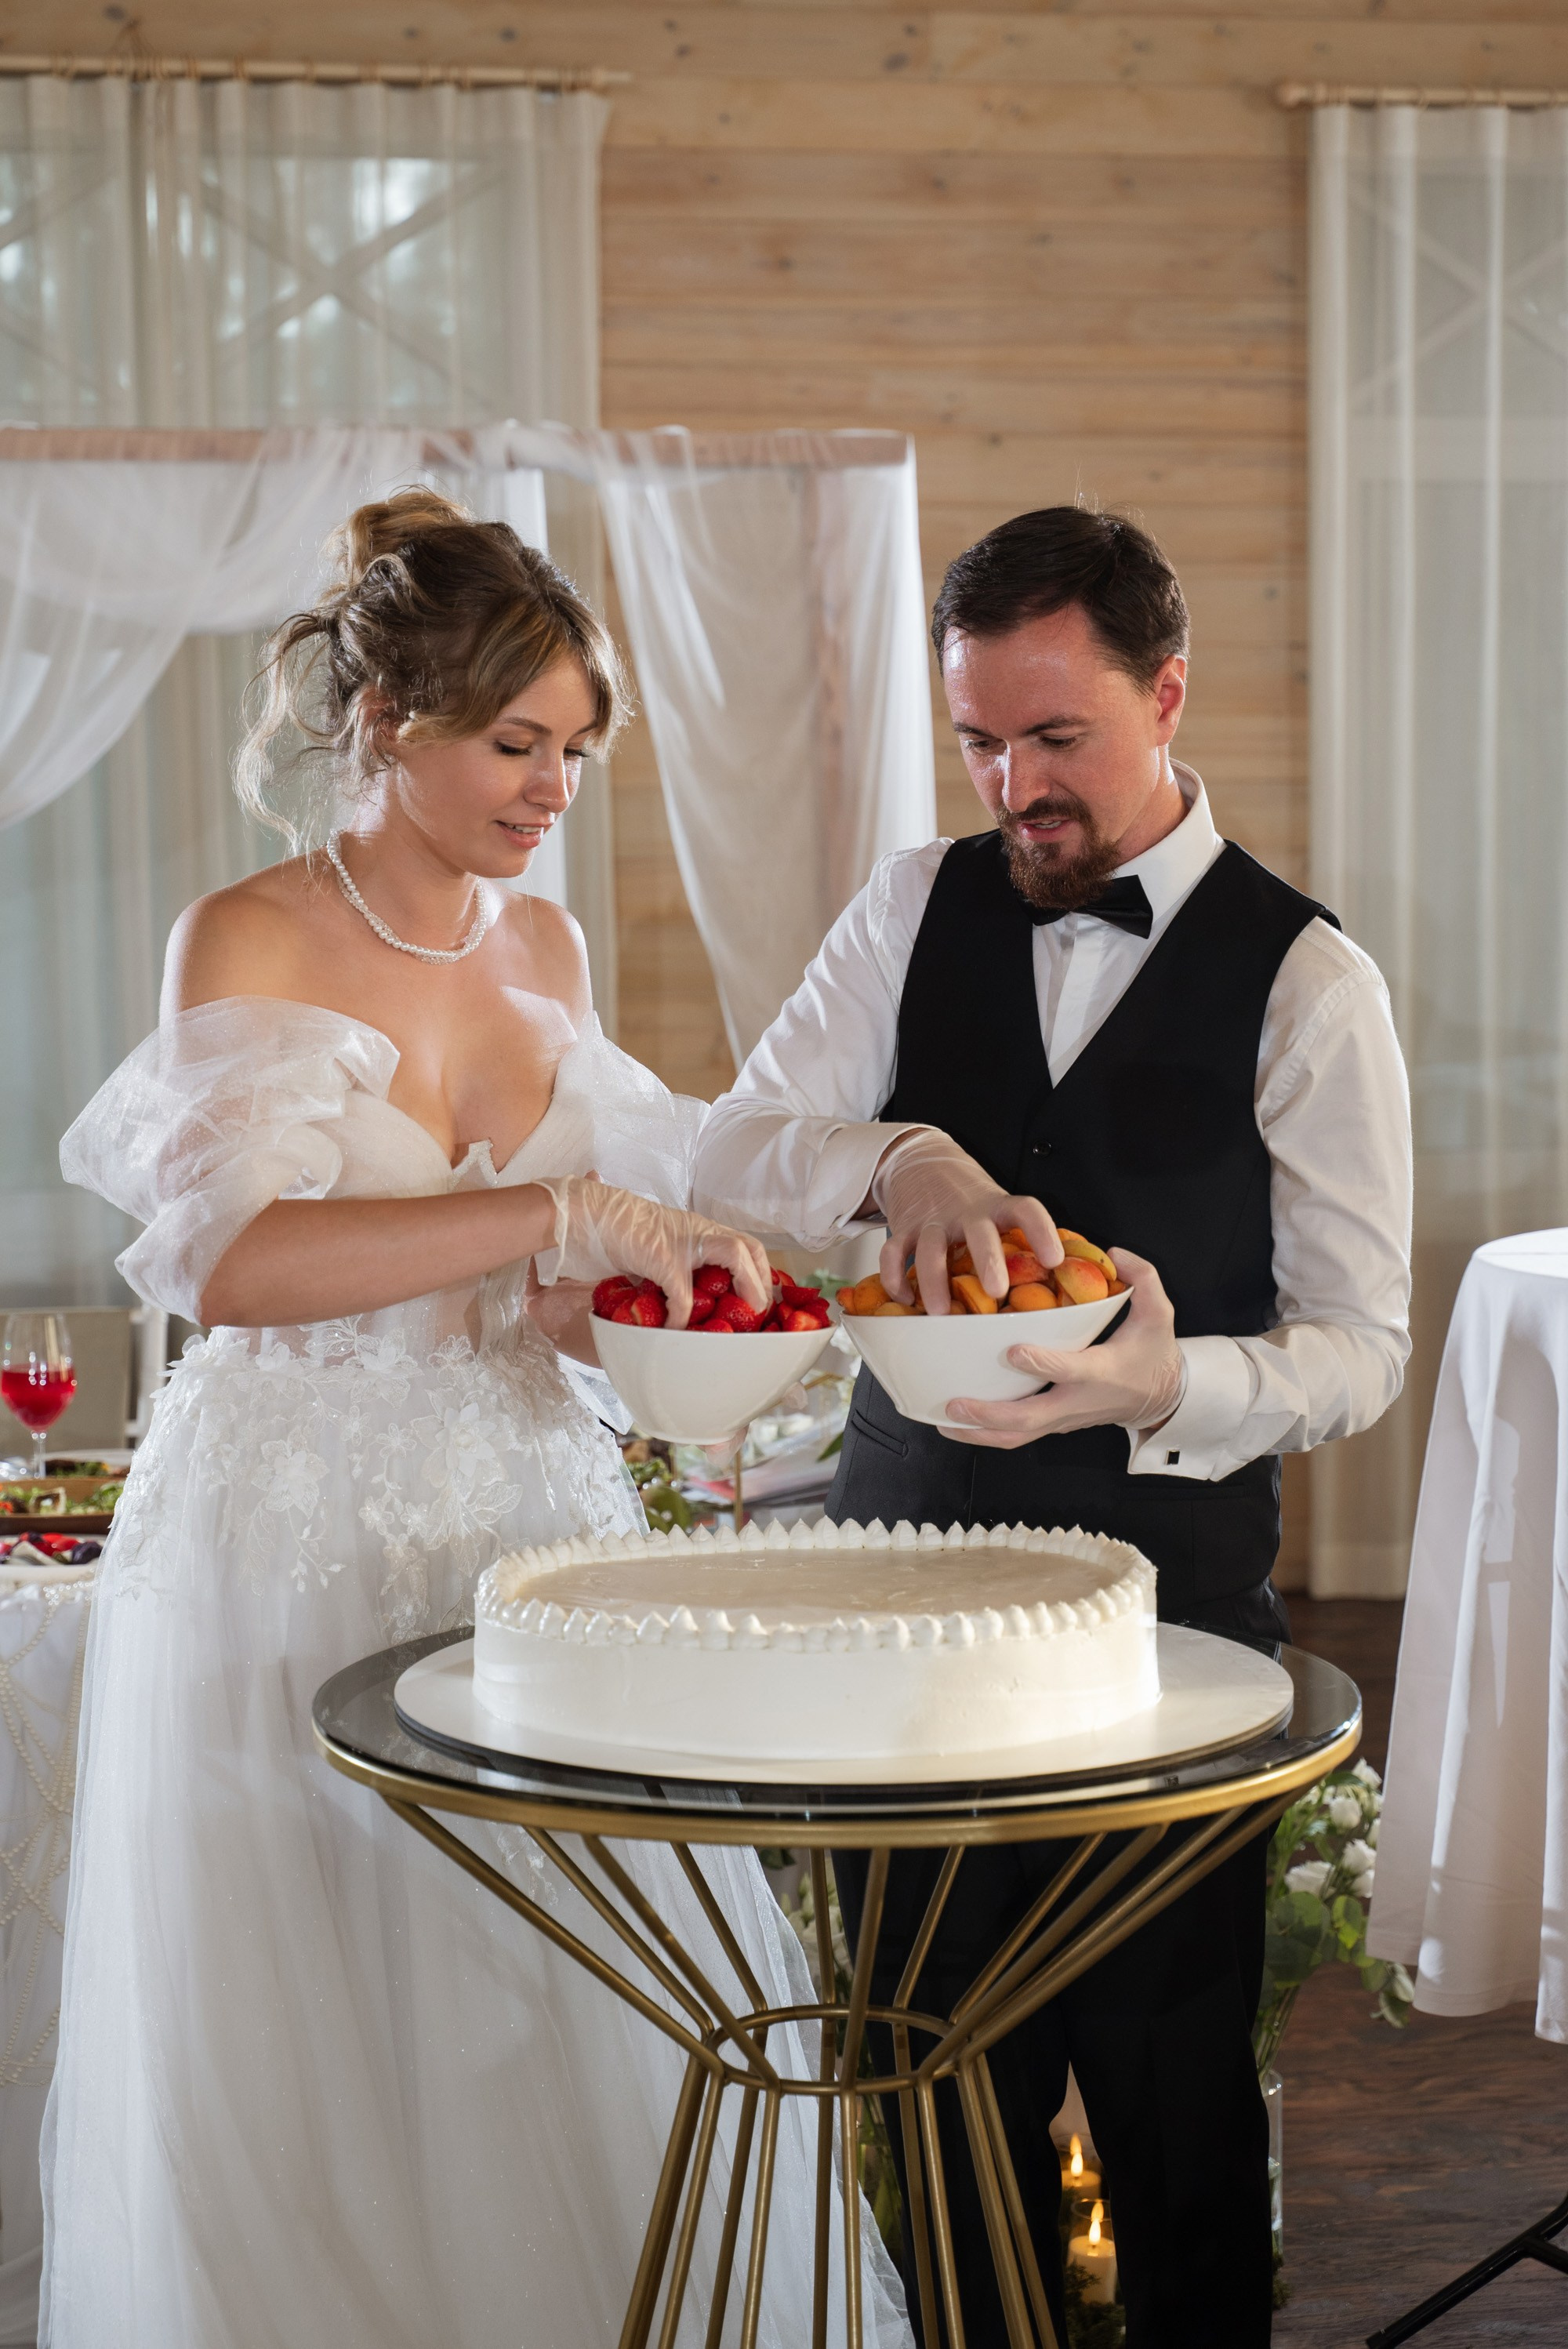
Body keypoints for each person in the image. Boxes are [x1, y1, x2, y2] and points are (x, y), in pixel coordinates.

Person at [42, 492, 910, 2349]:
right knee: (314, 2007)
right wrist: (552, 1210)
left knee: (550, 1977)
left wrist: (682, 1331)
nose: (552, 787)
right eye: (517, 742)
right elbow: (232, 1264)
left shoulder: (549, 954)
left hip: (522, 1510)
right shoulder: (248, 934)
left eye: (577, 751)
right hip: (281, 1528)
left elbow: (527, 1299)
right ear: (384, 725)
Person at [693, 506, 1413, 2346]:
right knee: (932, 2087)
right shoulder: (905, 906)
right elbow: (734, 1147)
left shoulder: (1312, 985)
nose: (1016, 785)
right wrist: (899, 1151)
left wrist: (1172, 1382)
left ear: (1167, 697)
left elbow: (1360, 1344)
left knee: (1172, 2118)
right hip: (896, 1616)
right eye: (980, 742)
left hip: (1155, 1634)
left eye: (1058, 735)